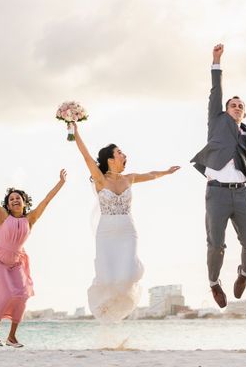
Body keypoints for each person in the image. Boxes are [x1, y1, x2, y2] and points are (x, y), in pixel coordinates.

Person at [191, 44, 246, 308]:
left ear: (244, 112)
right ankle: (215, 283)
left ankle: (244, 274)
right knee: (215, 244)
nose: (237, 107)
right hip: (216, 193)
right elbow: (216, 92)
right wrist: (216, 61)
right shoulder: (216, 122)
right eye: (233, 104)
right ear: (225, 110)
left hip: (241, 194)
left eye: (240, 106)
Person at [71, 121, 179, 322]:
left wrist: (166, 172)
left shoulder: (129, 178)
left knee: (127, 275)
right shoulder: (99, 179)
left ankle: (120, 307)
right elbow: (85, 156)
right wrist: (75, 132)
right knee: (107, 276)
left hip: (128, 231)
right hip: (106, 232)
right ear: (110, 158)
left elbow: (151, 175)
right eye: (120, 152)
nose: (124, 155)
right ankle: (103, 308)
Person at [0, 169, 67, 347]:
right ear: (7, 205)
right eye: (11, 199)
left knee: (22, 295)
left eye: (18, 198)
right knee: (6, 294)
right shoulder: (2, 215)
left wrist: (60, 183)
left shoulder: (31, 219)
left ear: (24, 203)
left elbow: (47, 200)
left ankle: (12, 336)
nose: (15, 200)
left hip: (16, 262)